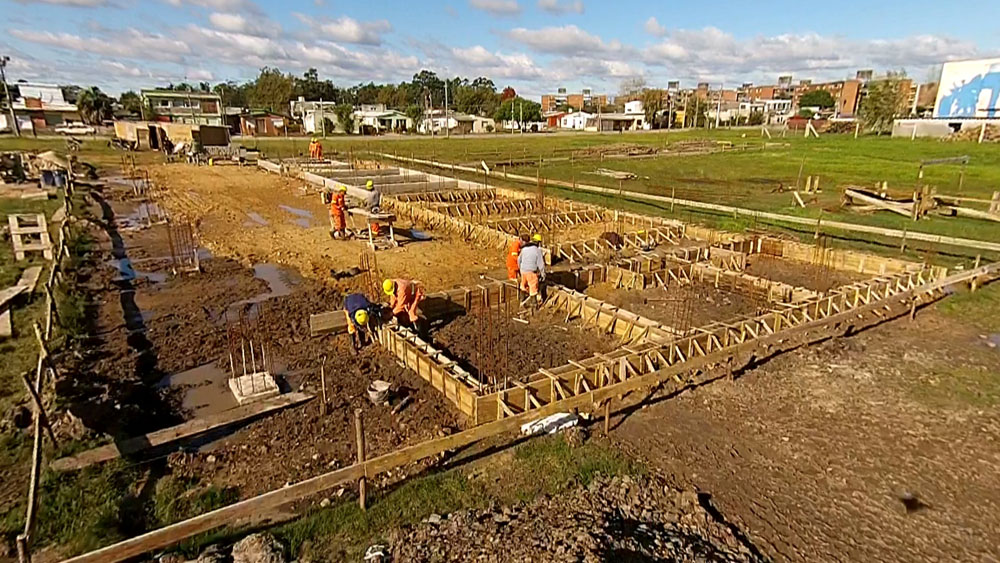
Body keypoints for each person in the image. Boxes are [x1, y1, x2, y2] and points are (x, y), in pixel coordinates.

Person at [518, 234, 545, 307]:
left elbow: (519, 260)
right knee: (533, 288)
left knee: (523, 286)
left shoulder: (524, 249)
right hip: (531, 272)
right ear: (539, 242)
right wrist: (543, 275)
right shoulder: (537, 250)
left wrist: (521, 270)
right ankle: (534, 306)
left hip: (523, 271)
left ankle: (522, 301)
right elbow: (541, 264)